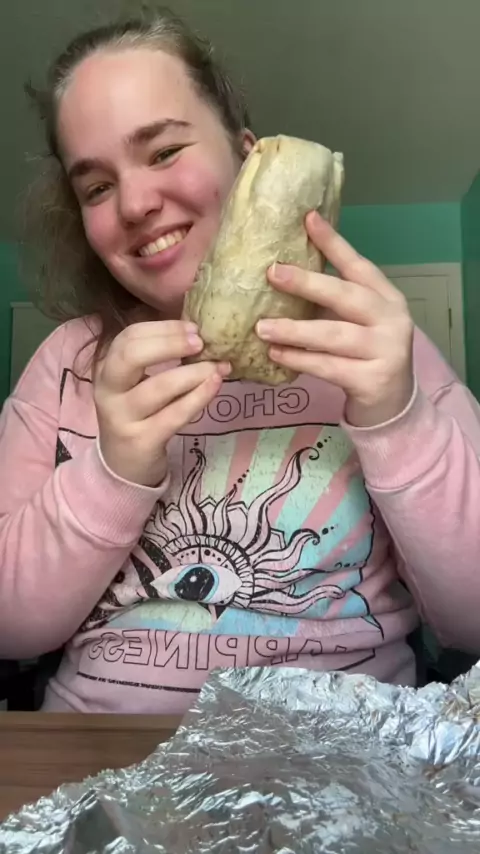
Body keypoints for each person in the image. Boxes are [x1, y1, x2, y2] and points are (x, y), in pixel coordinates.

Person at [0, 8, 479, 714]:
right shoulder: (66, 363)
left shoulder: (374, 348)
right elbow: (11, 630)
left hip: (344, 750)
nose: (135, 203)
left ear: (251, 158)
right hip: (94, 748)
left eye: (164, 151)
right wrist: (112, 470)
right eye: (96, 186)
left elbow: (471, 619)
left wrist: (397, 418)